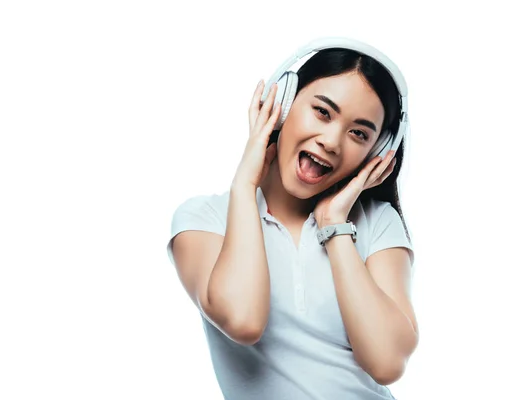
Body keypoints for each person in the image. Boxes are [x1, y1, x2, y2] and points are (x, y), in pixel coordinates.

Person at [166, 37, 418, 400]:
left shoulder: (376, 223)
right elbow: (243, 320)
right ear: (282, 105)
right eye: (322, 112)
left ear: (375, 152)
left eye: (359, 133)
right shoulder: (203, 220)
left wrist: (334, 225)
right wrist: (244, 185)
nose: (332, 141)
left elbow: (386, 363)